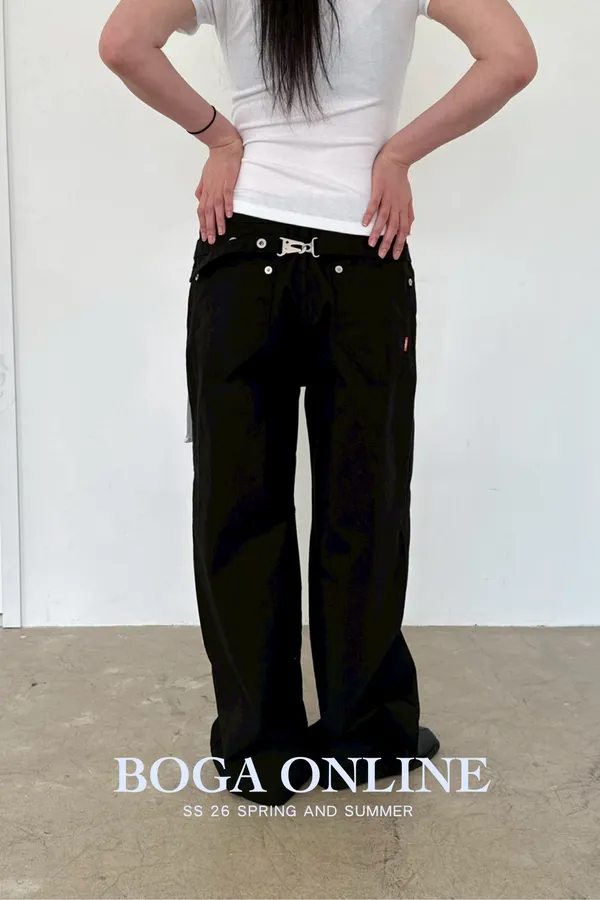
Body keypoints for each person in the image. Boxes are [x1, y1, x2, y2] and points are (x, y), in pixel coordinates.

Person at [99, 0, 537, 805]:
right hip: (363, 251)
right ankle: (364, 739)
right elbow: (511, 58)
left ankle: (258, 750)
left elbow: (124, 43)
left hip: (242, 254)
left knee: (238, 506)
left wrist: (221, 138)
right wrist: (397, 153)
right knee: (363, 503)